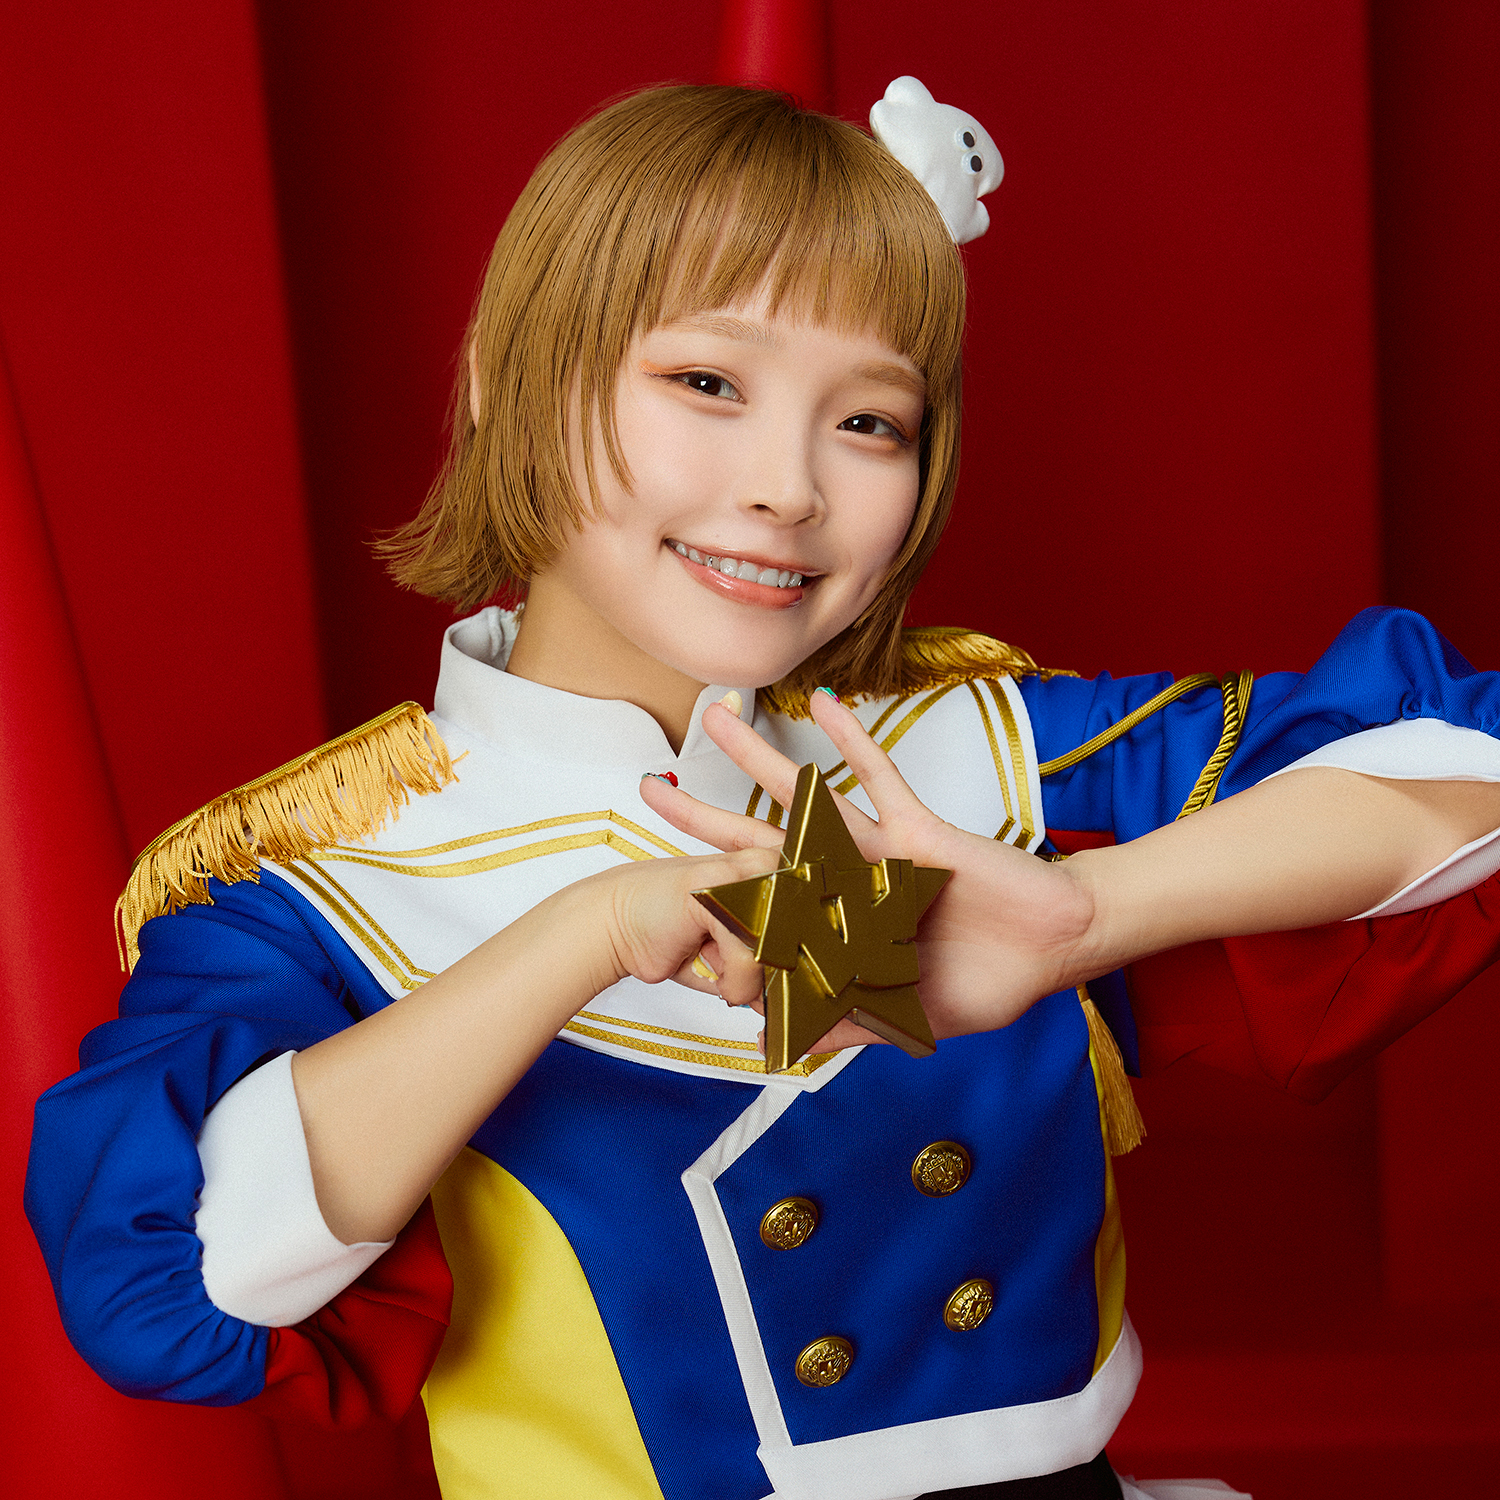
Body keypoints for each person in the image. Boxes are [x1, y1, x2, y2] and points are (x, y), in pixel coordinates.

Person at [26, 83, 1500, 1500]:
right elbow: (182, 1287)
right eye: (708, 384)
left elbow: (1466, 774)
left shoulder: (983, 753)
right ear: (504, 384)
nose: (790, 487)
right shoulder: (333, 884)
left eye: (871, 422)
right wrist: (587, 934)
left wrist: (1092, 913)